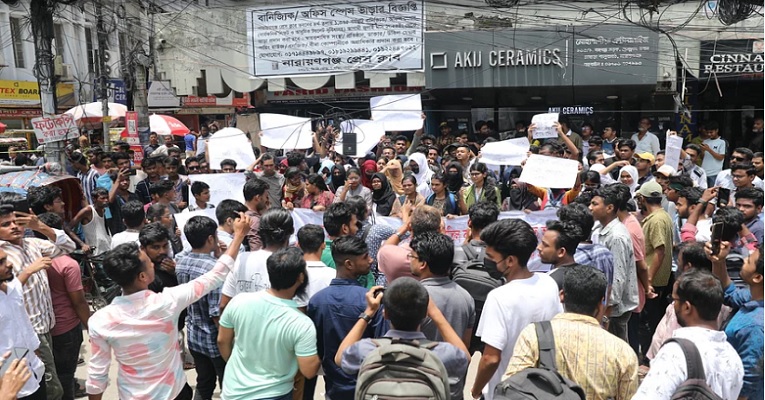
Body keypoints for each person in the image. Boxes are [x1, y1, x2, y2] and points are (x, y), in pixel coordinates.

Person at [86, 213, 249, 400]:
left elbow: (97, 375)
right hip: (174, 392)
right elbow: (216, 275)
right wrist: (238, 237)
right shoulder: (167, 302)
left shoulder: (100, 320)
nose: (155, 263)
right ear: (142, 277)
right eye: (148, 263)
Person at [504, 265, 639, 400]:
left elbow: (510, 386)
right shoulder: (623, 353)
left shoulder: (534, 335)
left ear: (562, 296)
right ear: (600, 305)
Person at [469, 219, 563, 400]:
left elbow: (491, 358)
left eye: (491, 257)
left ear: (510, 260)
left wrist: (476, 390)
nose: (486, 261)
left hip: (504, 392)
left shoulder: (499, 297)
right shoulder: (549, 283)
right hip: (542, 388)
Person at [335, 278, 471, 399]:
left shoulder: (367, 349)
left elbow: (339, 357)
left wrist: (369, 312)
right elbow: (465, 358)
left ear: (385, 314)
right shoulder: (442, 353)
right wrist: (435, 313)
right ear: (425, 314)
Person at [217, 247, 321, 400]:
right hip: (275, 394)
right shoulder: (301, 323)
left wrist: (238, 366)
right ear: (300, 277)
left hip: (233, 391)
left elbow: (222, 341)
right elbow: (309, 370)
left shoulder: (239, 301)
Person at [0, 203, 76, 400]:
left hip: (44, 328)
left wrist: (41, 227)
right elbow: (10, 294)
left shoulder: (32, 244)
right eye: (6, 224)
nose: (14, 227)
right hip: (25, 334)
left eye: (17, 222)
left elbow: (69, 246)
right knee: (47, 388)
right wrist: (28, 271)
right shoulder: (2, 254)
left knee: (42, 380)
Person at [633, 269, 744, 400]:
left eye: (674, 300)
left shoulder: (675, 353)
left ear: (687, 307)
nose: (673, 305)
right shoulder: (733, 357)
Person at [307, 236, 387, 400]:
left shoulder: (317, 301)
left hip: (333, 386)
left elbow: (316, 347)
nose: (371, 260)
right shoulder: (371, 301)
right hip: (365, 386)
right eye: (365, 257)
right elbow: (382, 344)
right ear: (349, 264)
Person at [36, 213, 89, 400]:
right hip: (67, 328)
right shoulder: (68, 264)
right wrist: (91, 327)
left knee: (51, 376)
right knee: (66, 377)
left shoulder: (34, 259)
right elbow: (79, 302)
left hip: (45, 329)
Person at [175, 216, 228, 400]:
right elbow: (216, 314)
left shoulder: (181, 261)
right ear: (211, 239)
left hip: (194, 336)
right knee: (229, 387)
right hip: (214, 339)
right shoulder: (214, 270)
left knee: (204, 383)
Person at [710, 239, 764, 400]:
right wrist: (719, 261)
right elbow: (729, 293)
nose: (744, 260)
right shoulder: (751, 296)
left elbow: (748, 382)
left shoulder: (755, 326)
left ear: (758, 277)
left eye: (749, 261)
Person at [410, 231, 475, 353]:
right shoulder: (466, 297)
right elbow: (465, 344)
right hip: (453, 368)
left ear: (423, 263)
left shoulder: (413, 297)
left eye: (412, 256)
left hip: (422, 368)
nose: (409, 260)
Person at [220, 208, 294, 313]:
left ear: (260, 232)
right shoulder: (293, 266)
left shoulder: (241, 259)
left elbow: (224, 305)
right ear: (291, 232)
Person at [589, 185, 638, 342]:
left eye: (595, 204)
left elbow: (617, 277)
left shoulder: (616, 236)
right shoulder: (602, 229)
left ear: (609, 208)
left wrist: (605, 313)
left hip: (613, 312)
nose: (590, 208)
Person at [0, 246, 47, 399]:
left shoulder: (12, 289)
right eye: (0, 262)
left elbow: (23, 323)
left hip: (34, 369)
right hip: (10, 383)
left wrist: (35, 349)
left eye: (5, 259)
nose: (8, 264)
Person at [636, 180, 675, 352]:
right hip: (658, 277)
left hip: (654, 279)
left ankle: (649, 355)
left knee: (650, 322)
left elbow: (660, 251)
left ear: (642, 199)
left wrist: (648, 281)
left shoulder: (657, 220)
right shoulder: (663, 215)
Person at [538, 220, 583, 289]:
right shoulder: (588, 276)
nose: (539, 247)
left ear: (561, 252)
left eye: (545, 245)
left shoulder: (549, 282)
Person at [69, 188, 111, 255]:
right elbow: (68, 228)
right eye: (102, 198)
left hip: (107, 249)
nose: (106, 200)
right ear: (94, 199)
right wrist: (82, 244)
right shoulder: (88, 211)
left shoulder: (104, 210)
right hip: (95, 253)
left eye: (107, 198)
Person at [319, 203, 359, 269]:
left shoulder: (317, 254)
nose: (357, 229)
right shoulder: (353, 259)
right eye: (355, 224)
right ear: (345, 228)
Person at [242, 178, 270, 252]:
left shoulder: (241, 213)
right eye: (266, 197)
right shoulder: (255, 220)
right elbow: (256, 249)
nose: (267, 200)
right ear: (258, 198)